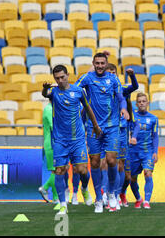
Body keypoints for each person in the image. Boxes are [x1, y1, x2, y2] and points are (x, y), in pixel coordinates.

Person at [42, 65, 101, 214]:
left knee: (82, 170)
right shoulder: (54, 92)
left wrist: (95, 126)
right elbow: (45, 94)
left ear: (68, 75)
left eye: (62, 77)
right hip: (60, 140)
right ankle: (63, 203)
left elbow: (88, 109)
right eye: (57, 78)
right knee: (59, 170)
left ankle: (84, 188)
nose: (60, 80)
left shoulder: (78, 91)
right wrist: (44, 88)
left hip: (78, 139)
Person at [76, 52, 130, 213]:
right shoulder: (87, 78)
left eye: (102, 63)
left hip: (112, 125)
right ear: (93, 63)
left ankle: (111, 192)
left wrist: (123, 108)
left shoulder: (113, 79)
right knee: (94, 162)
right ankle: (99, 200)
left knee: (112, 160)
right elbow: (73, 89)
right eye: (97, 63)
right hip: (93, 127)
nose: (100, 66)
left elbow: (121, 97)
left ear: (106, 64)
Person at [104, 63, 139, 208]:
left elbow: (135, 87)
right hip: (107, 129)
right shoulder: (100, 89)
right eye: (109, 72)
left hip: (122, 130)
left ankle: (116, 195)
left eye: (114, 72)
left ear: (117, 75)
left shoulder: (121, 90)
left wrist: (131, 75)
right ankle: (106, 194)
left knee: (120, 165)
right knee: (106, 163)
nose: (112, 74)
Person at [129, 92, 159, 209]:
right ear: (136, 104)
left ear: (148, 103)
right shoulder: (132, 117)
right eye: (139, 101)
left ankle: (147, 201)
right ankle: (138, 198)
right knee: (132, 178)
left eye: (144, 101)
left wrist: (155, 152)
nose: (142, 103)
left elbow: (155, 136)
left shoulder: (153, 118)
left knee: (148, 173)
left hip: (148, 151)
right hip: (133, 152)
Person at [38, 102, 58, 204]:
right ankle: (45, 188)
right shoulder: (49, 109)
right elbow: (53, 127)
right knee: (57, 170)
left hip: (52, 143)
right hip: (52, 143)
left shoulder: (51, 109)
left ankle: (55, 198)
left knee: (56, 170)